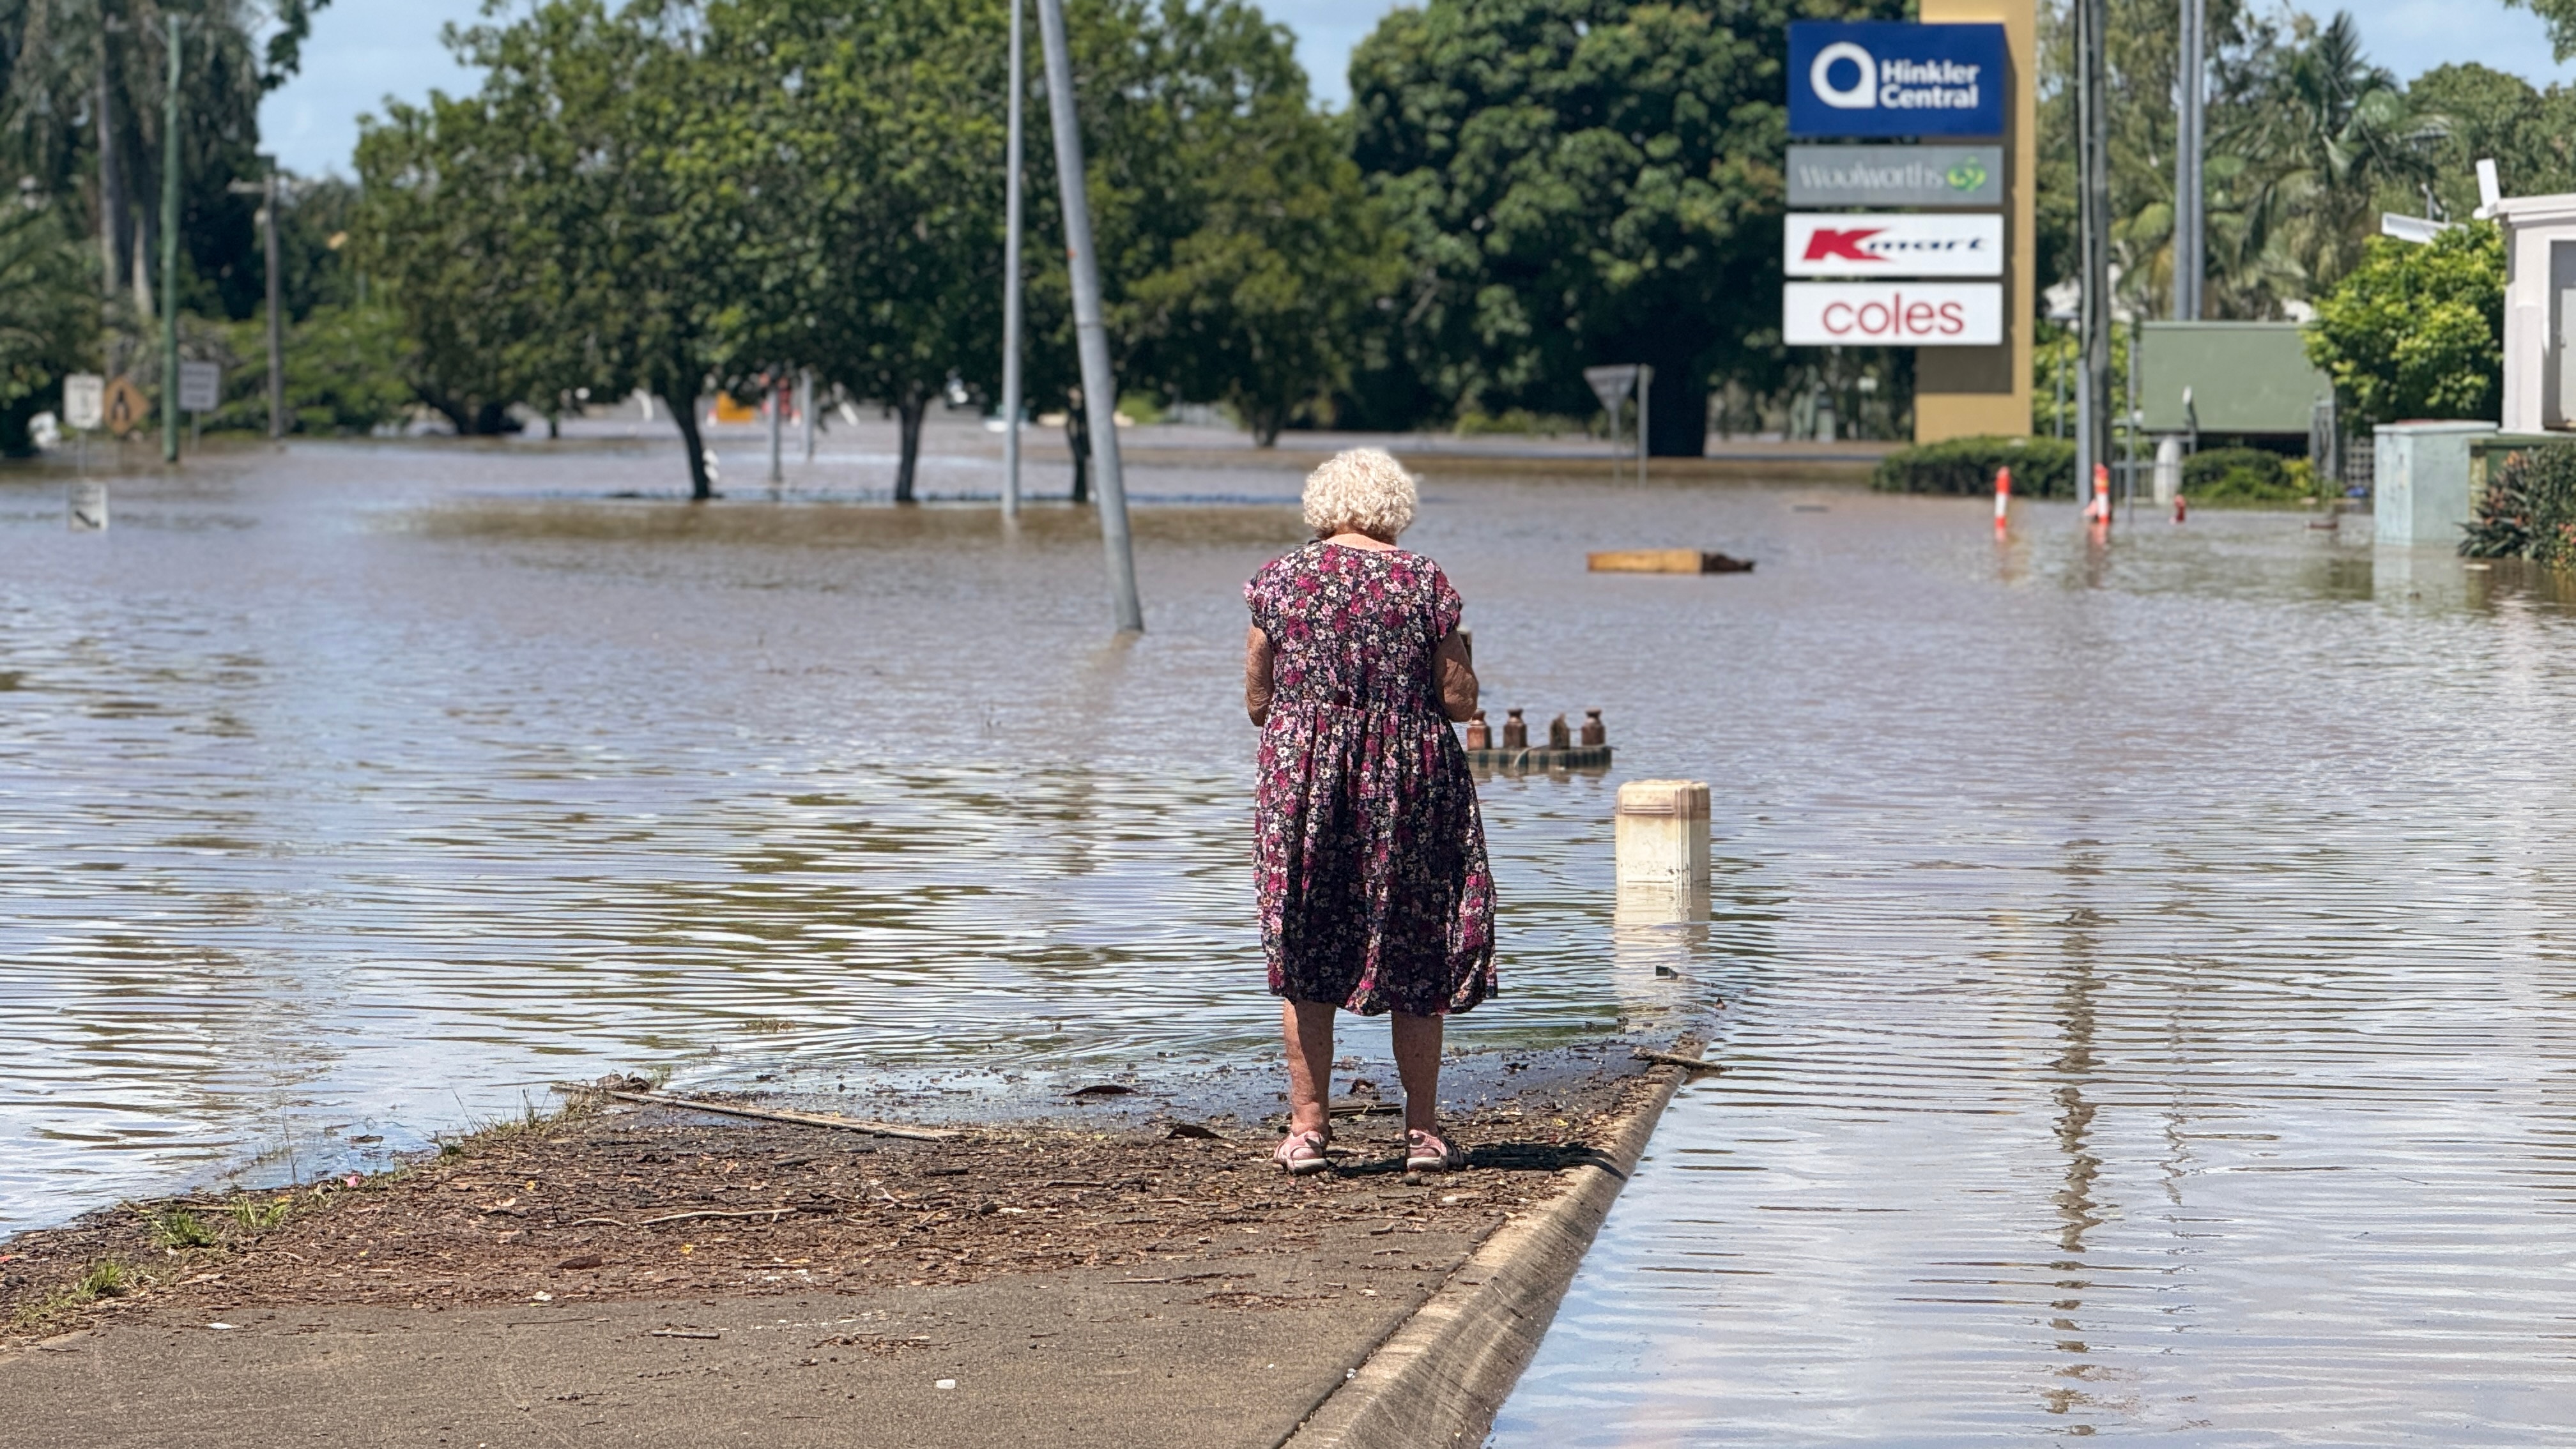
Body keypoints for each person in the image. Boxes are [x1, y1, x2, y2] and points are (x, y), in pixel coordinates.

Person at [1242, 447, 1495, 1177]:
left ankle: (1307, 1132)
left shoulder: (1280, 579)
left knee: (1305, 942)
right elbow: (1458, 701)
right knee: (1417, 940)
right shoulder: (1422, 581)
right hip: (1408, 779)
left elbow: (1259, 703)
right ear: (1395, 508)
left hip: (1305, 781)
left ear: (1322, 507)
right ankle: (1422, 1136)